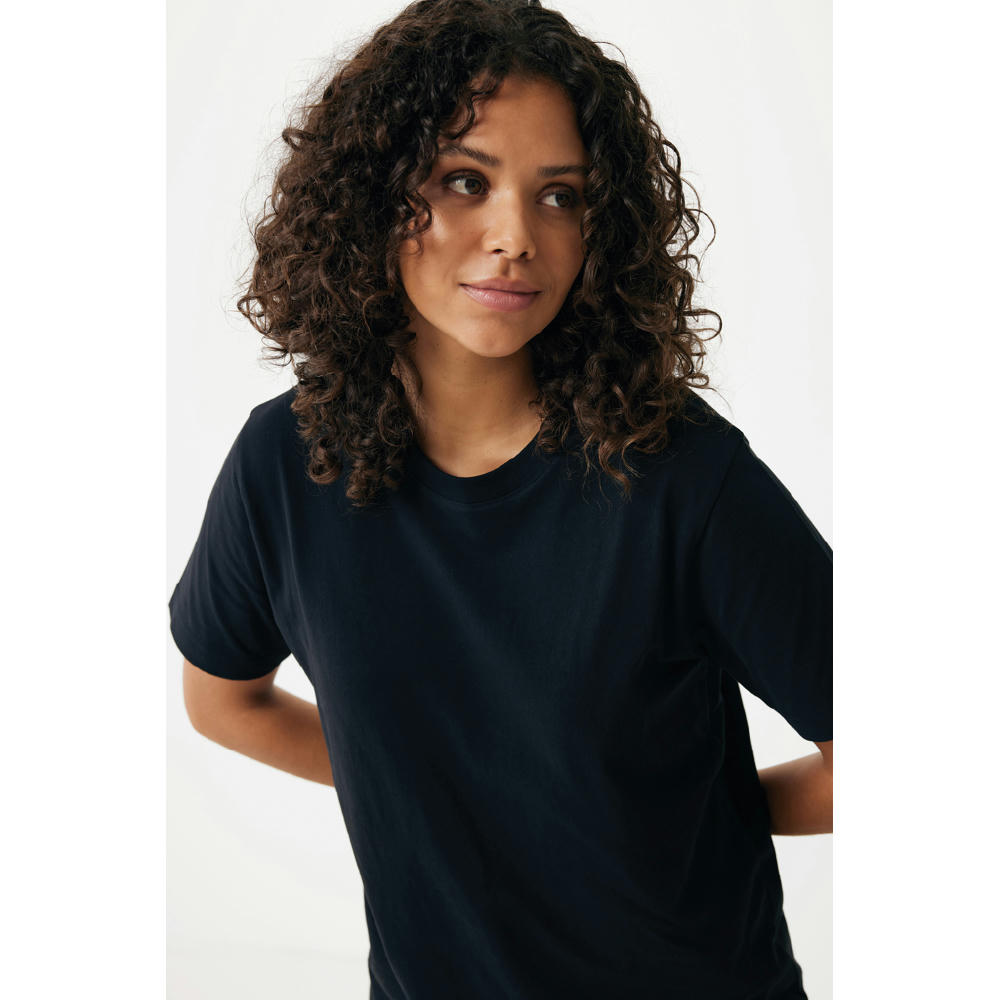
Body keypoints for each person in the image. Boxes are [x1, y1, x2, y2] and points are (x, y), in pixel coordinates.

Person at [169, 1, 833, 997]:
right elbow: (224, 701)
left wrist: (680, 809)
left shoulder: (684, 476)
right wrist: (444, 790)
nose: (516, 235)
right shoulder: (287, 462)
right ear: (373, 192)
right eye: (464, 181)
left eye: (560, 196)